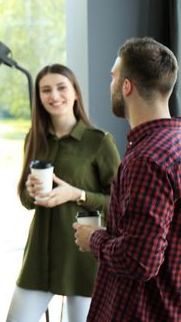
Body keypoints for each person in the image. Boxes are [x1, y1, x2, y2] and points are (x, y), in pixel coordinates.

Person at [74, 37, 181, 321]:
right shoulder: (175, 143)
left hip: (142, 312)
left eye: (113, 76)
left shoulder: (146, 160)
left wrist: (93, 238)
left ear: (126, 86)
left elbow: (140, 260)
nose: (110, 84)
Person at [6, 64, 121, 322]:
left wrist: (76, 194)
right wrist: (30, 190)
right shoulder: (34, 138)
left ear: (75, 93)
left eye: (61, 87)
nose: (54, 95)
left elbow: (119, 203)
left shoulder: (99, 141)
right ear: (39, 97)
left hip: (82, 257)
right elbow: (26, 201)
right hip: (40, 255)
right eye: (46, 90)